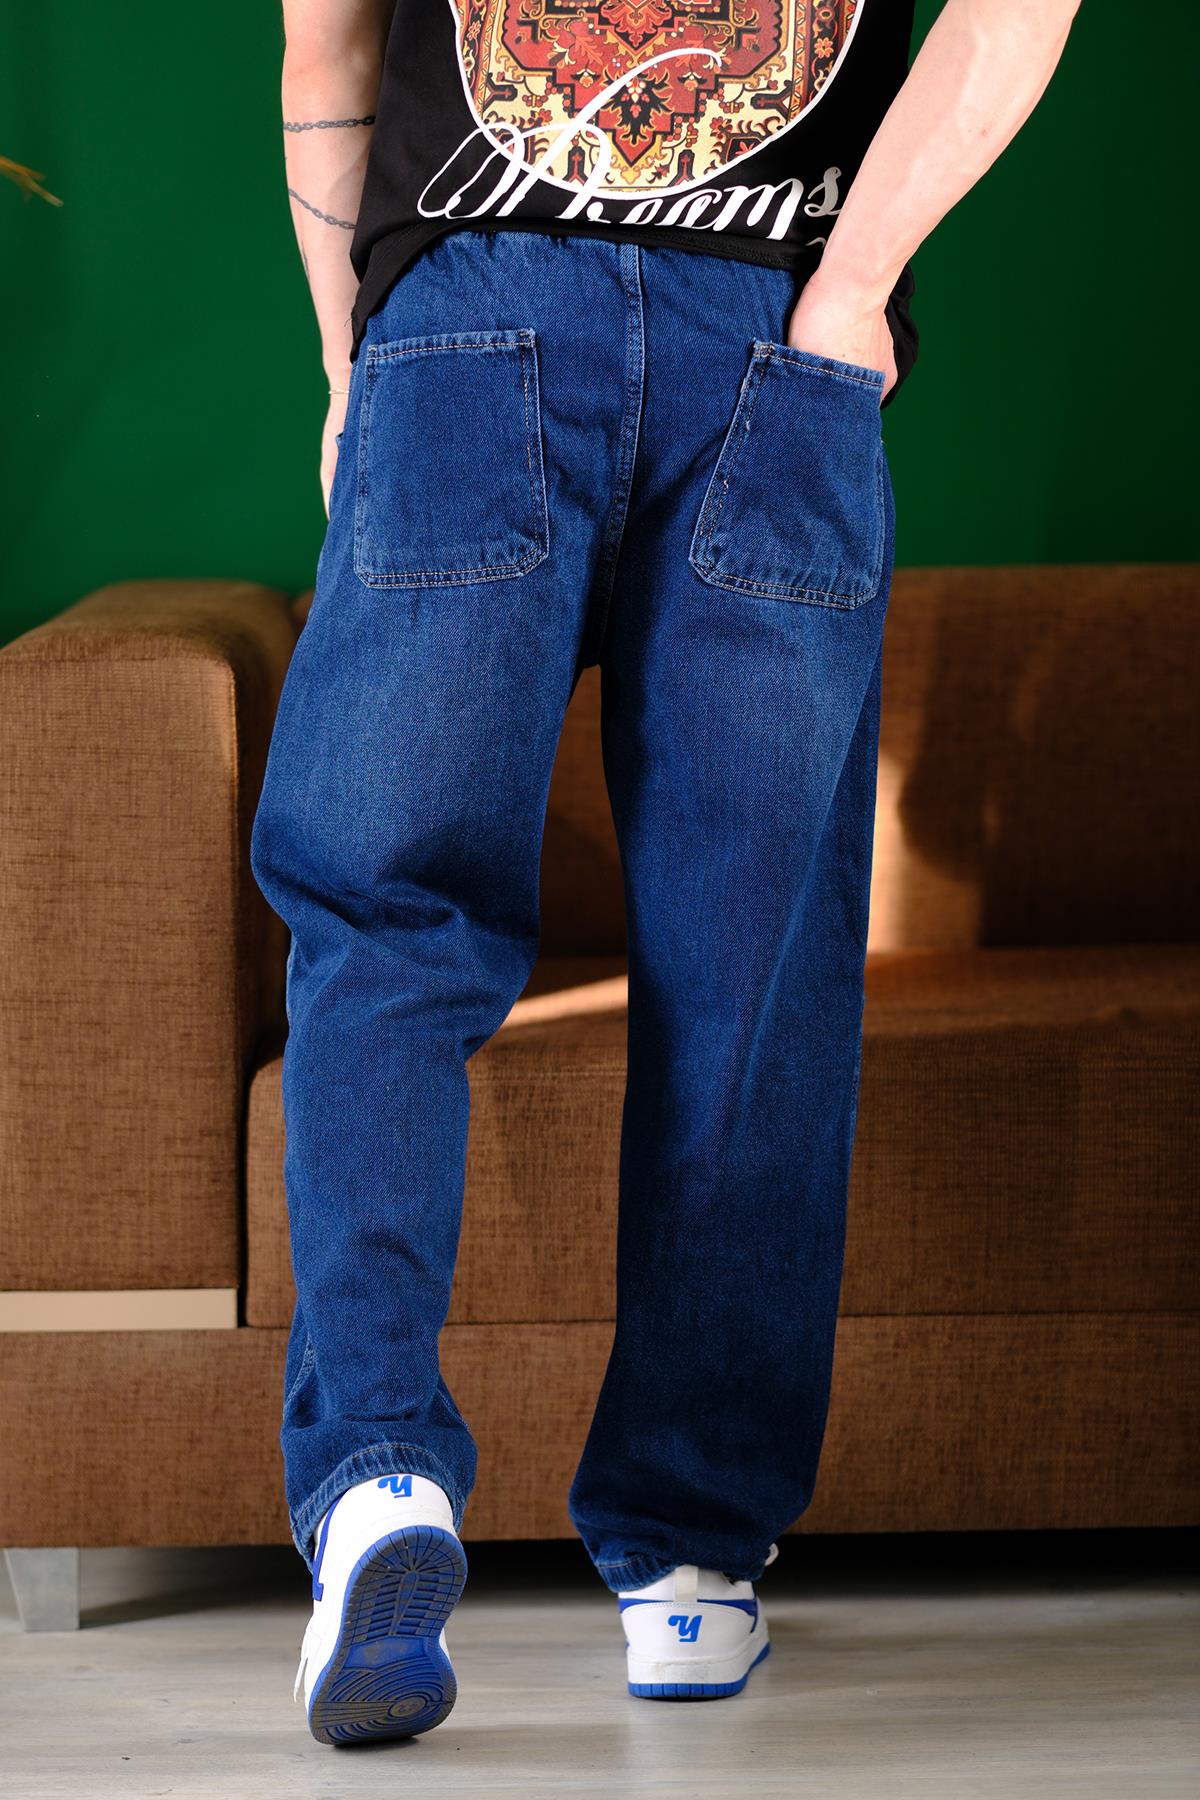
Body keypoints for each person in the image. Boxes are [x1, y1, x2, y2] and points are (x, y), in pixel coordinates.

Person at [250, 0, 1081, 1747]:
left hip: (466, 319)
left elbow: (327, 54)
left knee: (388, 924)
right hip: (779, 321)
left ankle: (380, 1478)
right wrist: (854, 291)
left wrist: (346, 369)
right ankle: (691, 1563)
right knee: (749, 964)